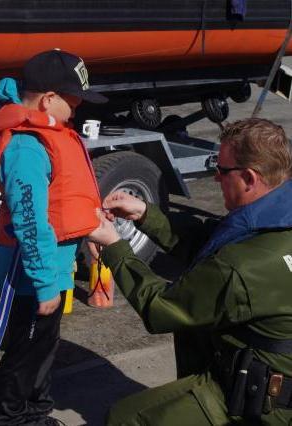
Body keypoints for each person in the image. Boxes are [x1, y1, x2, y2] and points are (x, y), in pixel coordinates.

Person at [89, 118, 292, 425]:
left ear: (249, 178)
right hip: (270, 372)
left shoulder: (240, 266)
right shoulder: (275, 221)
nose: (215, 179)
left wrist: (115, 247)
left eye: (222, 171)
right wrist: (145, 214)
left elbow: (162, 309)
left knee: (124, 419)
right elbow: (212, 241)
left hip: (261, 400)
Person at [0, 49, 107, 426]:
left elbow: (63, 204)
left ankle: (36, 412)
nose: (77, 110)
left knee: (43, 346)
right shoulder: (26, 146)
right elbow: (28, 219)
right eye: (74, 102)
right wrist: (44, 284)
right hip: (31, 271)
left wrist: (88, 234)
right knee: (26, 349)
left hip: (51, 266)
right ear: (49, 98)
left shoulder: (50, 133)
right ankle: (10, 418)